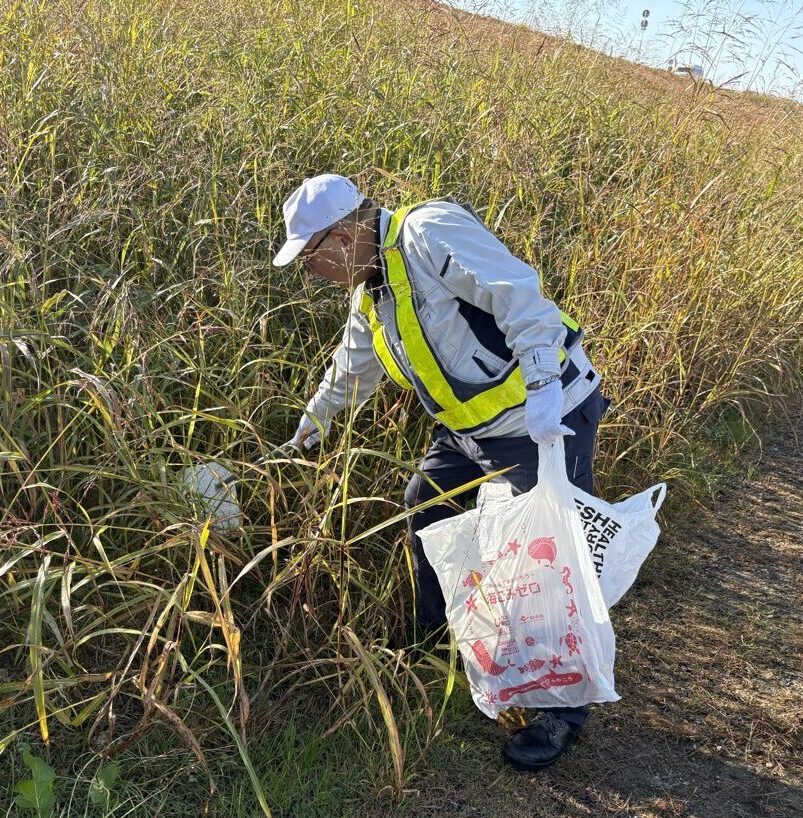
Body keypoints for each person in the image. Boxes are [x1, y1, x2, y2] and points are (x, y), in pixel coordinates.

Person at [273, 173, 610, 771]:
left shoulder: (427, 232)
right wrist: (307, 432)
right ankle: (432, 638)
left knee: (549, 559)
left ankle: (561, 710)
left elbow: (517, 292)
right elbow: (351, 369)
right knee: (425, 504)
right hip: (468, 430)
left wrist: (542, 384)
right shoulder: (373, 291)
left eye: (310, 257)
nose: (312, 271)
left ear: (343, 237)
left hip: (541, 418)